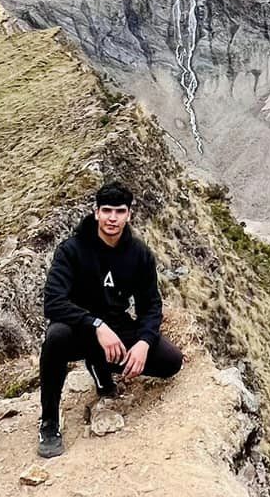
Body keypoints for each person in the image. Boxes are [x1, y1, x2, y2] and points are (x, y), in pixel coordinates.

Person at [38, 180, 183, 457]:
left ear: (129, 214)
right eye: (106, 211)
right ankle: (49, 421)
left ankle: (99, 363)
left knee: (170, 362)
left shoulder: (139, 254)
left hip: (117, 327)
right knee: (54, 339)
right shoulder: (71, 250)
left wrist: (143, 342)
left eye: (119, 211)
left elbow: (151, 306)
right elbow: (53, 303)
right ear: (96, 212)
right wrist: (95, 324)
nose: (112, 218)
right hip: (77, 327)